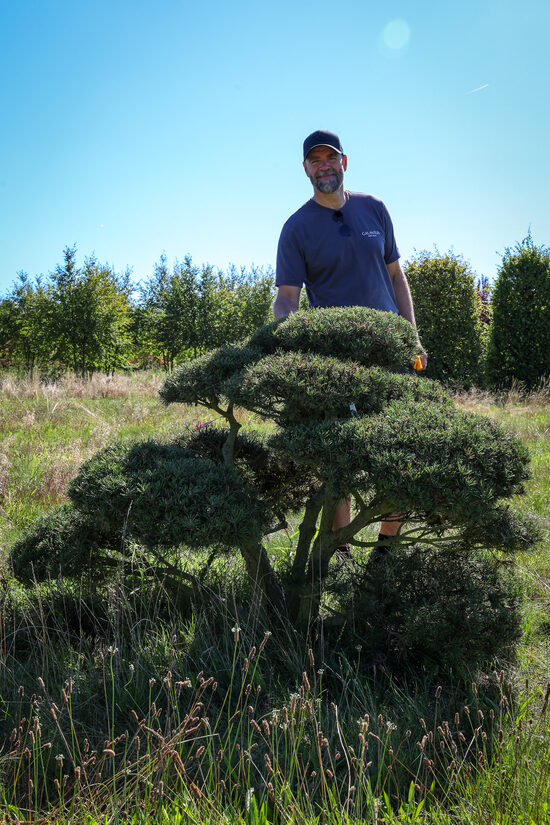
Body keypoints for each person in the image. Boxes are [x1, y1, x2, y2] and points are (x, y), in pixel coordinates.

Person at [273, 129, 427, 558]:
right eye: (315, 160)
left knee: (400, 452)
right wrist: (290, 348)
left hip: (393, 357)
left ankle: (386, 552)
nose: (324, 166)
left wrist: (412, 337)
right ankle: (341, 557)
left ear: (345, 162)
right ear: (306, 169)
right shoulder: (296, 228)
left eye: (331, 158)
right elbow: (287, 299)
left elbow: (396, 277)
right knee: (340, 461)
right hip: (337, 365)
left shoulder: (374, 209)